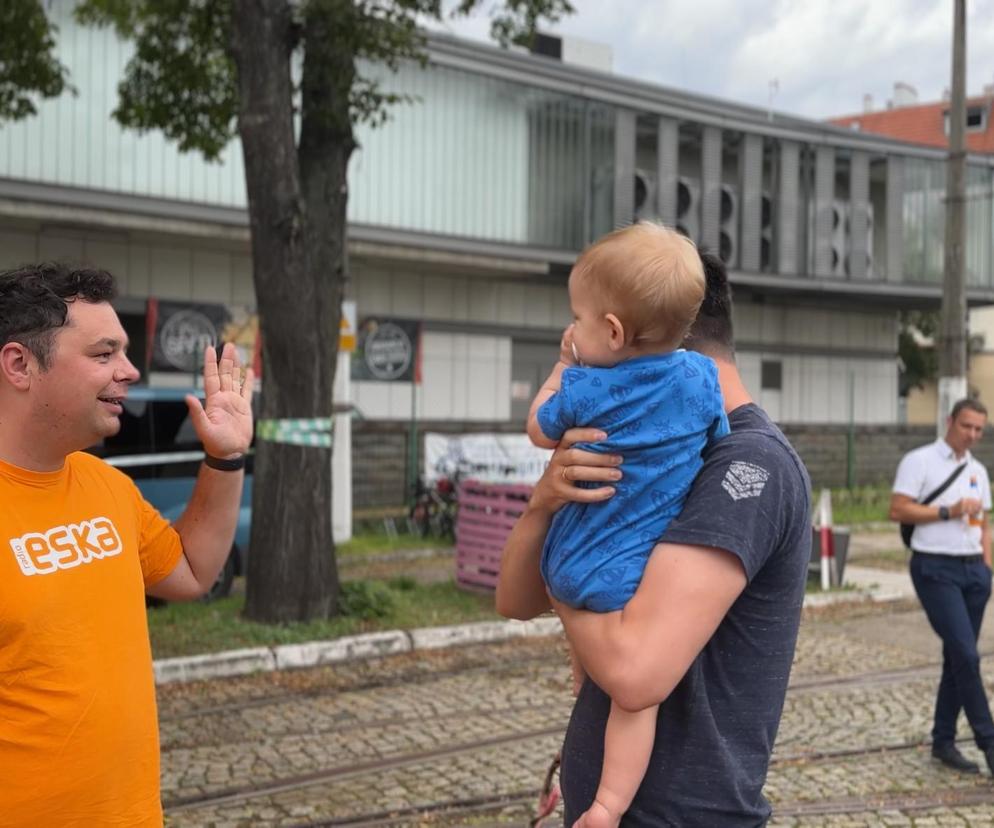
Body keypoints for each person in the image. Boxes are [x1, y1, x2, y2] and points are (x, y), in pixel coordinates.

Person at [497, 250, 812, 826]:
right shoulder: (646, 444)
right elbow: (514, 601)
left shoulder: (747, 463)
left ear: (640, 340)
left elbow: (634, 672)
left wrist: (568, 578)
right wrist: (544, 505)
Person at [0, 262, 254, 826]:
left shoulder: (109, 488)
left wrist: (225, 456)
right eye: (103, 354)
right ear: (20, 365)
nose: (131, 371)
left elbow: (191, 573)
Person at [524, 223, 729, 825]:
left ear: (611, 331)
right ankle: (609, 805)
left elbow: (538, 428)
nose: (575, 331)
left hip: (569, 554)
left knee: (614, 682)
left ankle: (586, 675)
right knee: (635, 704)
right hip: (628, 570)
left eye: (579, 320)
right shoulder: (699, 378)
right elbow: (717, 437)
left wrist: (561, 367)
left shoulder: (588, 386)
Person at [889, 398, 994, 776]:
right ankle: (989, 743)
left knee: (957, 657)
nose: (972, 434)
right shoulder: (919, 461)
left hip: (974, 574)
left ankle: (943, 741)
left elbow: (983, 522)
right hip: (935, 568)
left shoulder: (978, 470)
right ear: (950, 420)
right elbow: (898, 509)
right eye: (967, 426)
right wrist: (948, 511)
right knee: (967, 656)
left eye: (979, 429)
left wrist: (986, 567)